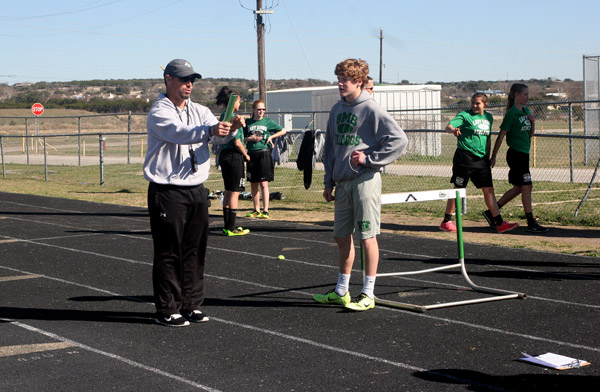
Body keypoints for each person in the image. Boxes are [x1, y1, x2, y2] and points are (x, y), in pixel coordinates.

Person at [144, 59, 243, 327]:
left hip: (196, 190)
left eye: (192, 80)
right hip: (168, 190)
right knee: (169, 252)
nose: (189, 84)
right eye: (184, 79)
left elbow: (217, 137)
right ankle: (167, 308)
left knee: (195, 251)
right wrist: (211, 130)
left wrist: (230, 128)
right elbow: (179, 133)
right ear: (168, 79)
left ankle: (191, 304)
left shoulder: (200, 110)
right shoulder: (159, 111)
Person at [313, 58, 408, 311]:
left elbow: (399, 140)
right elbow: (331, 149)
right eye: (339, 78)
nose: (341, 83)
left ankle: (368, 293)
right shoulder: (336, 109)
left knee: (367, 237)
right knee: (341, 236)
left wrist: (370, 159)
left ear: (359, 81)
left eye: (346, 79)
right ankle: (341, 290)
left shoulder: (371, 108)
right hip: (342, 183)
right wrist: (328, 181)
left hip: (365, 180)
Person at [440, 93, 518, 234]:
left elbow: (487, 139)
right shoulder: (465, 115)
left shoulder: (488, 117)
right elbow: (448, 127)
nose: (475, 106)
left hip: (482, 159)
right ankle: (446, 221)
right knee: (458, 189)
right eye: (473, 103)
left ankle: (499, 223)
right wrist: (453, 130)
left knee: (488, 190)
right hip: (464, 157)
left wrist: (491, 156)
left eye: (478, 103)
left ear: (485, 104)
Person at [488, 83, 548, 233]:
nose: (528, 97)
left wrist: (533, 121)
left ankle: (491, 212)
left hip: (524, 154)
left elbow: (530, 134)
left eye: (528, 94)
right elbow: (501, 136)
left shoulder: (526, 111)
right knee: (527, 186)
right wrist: (494, 156)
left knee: (519, 188)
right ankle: (531, 222)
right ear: (516, 95)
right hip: (516, 155)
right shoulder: (511, 114)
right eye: (525, 94)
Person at [215, 86, 250, 236]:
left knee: (228, 191)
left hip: (224, 155)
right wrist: (246, 156)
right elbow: (237, 141)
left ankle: (227, 226)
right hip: (233, 156)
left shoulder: (224, 115)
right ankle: (231, 228)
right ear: (233, 101)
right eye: (239, 101)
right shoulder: (230, 116)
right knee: (235, 192)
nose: (240, 104)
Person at [244, 100, 287, 219]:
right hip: (252, 154)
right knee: (253, 183)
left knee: (264, 183)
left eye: (263, 109)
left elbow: (283, 130)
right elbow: (241, 137)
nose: (261, 111)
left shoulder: (267, 122)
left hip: (264, 153)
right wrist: (250, 139)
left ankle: (265, 210)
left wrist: (271, 137)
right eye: (259, 109)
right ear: (253, 110)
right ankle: (256, 209)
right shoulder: (247, 123)